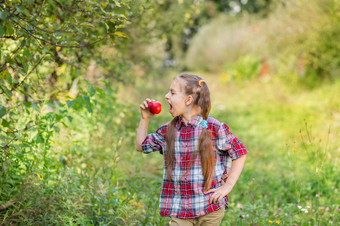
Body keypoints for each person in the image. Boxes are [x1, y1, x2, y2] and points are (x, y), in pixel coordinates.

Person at [136, 73, 248, 225]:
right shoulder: (168, 130)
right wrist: (145, 118)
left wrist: (227, 186)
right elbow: (141, 146)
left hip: (210, 208)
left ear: (188, 100)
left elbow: (240, 152)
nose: (166, 96)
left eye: (172, 92)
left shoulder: (213, 128)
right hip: (181, 211)